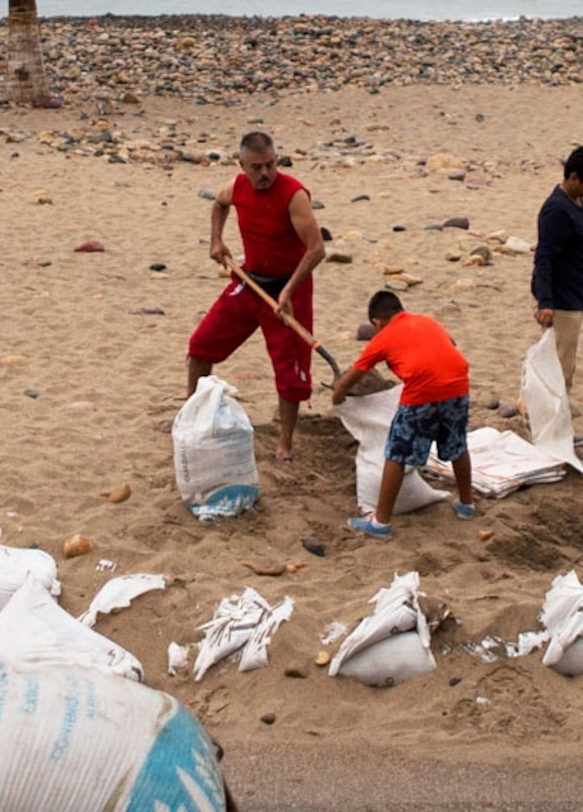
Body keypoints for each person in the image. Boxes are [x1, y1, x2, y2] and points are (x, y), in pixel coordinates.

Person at [188, 129, 329, 461]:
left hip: (290, 288)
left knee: (290, 372)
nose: (265, 173)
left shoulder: (293, 194)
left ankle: (285, 440)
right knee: (201, 345)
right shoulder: (237, 187)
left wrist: (289, 290)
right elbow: (219, 204)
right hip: (249, 281)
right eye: (257, 167)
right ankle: (190, 414)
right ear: (242, 165)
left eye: (270, 165)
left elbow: (317, 249)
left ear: (276, 159)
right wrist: (216, 240)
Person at [331, 289, 475, 537]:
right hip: (458, 385)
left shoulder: (383, 337)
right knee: (457, 445)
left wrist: (337, 398)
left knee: (396, 453)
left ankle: (380, 522)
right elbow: (451, 345)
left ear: (377, 322)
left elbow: (354, 375)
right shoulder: (427, 321)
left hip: (422, 393)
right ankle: (466, 504)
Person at [530, 144, 583, 396]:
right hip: (561, 299)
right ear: (574, 177)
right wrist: (545, 302)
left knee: (565, 360)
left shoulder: (576, 202)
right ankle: (553, 414)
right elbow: (544, 256)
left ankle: (553, 408)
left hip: (574, 294)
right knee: (559, 365)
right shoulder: (557, 210)